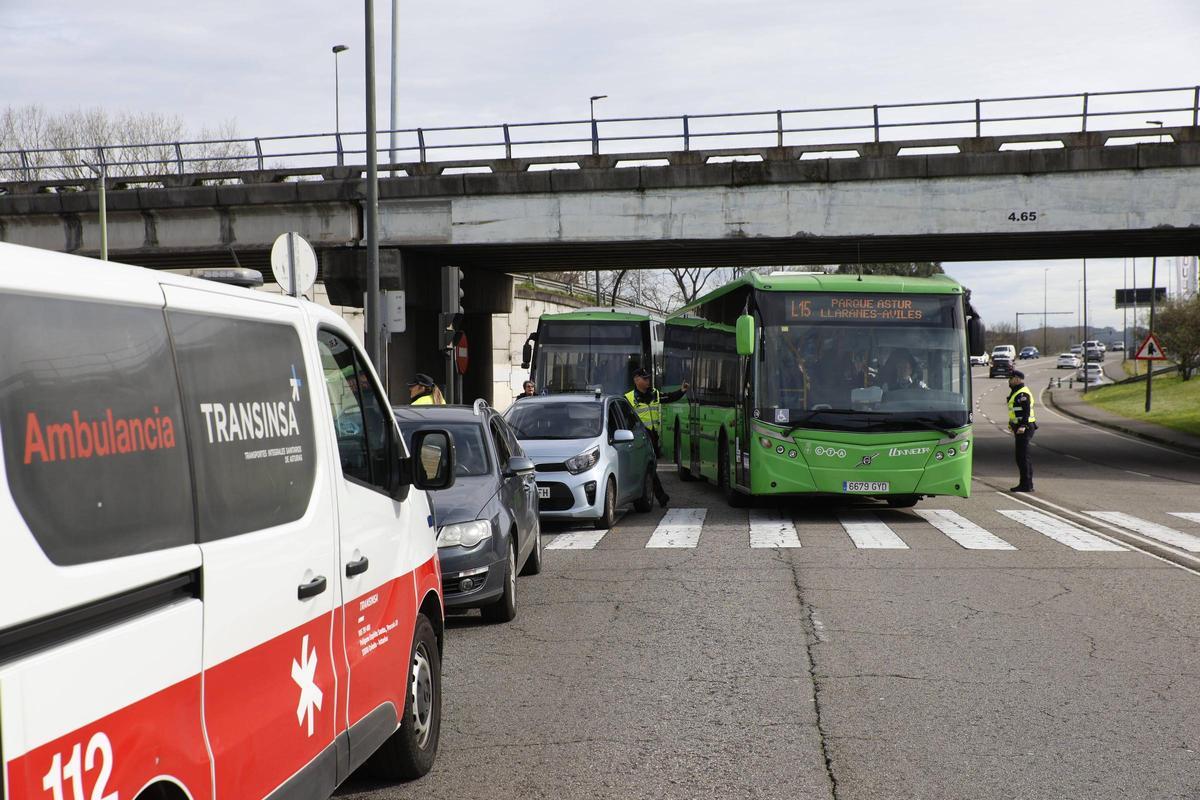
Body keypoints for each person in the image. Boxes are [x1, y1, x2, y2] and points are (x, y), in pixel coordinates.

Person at [626, 368, 689, 508]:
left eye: (648, 378)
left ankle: (656, 496)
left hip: (653, 438)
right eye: (645, 378)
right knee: (649, 468)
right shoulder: (628, 398)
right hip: (640, 438)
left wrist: (682, 391)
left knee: (650, 468)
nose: (648, 381)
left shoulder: (654, 394)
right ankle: (659, 496)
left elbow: (669, 397)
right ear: (636, 380)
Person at [1007, 369, 1036, 492]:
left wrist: (1023, 426)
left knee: (1023, 457)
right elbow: (1016, 411)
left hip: (1025, 428)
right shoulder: (1016, 392)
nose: (1009, 381)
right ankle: (1027, 484)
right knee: (1021, 457)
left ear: (1017, 379)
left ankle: (1026, 485)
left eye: (1011, 378)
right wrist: (1011, 424)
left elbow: (1026, 411)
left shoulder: (1022, 394)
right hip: (1020, 427)